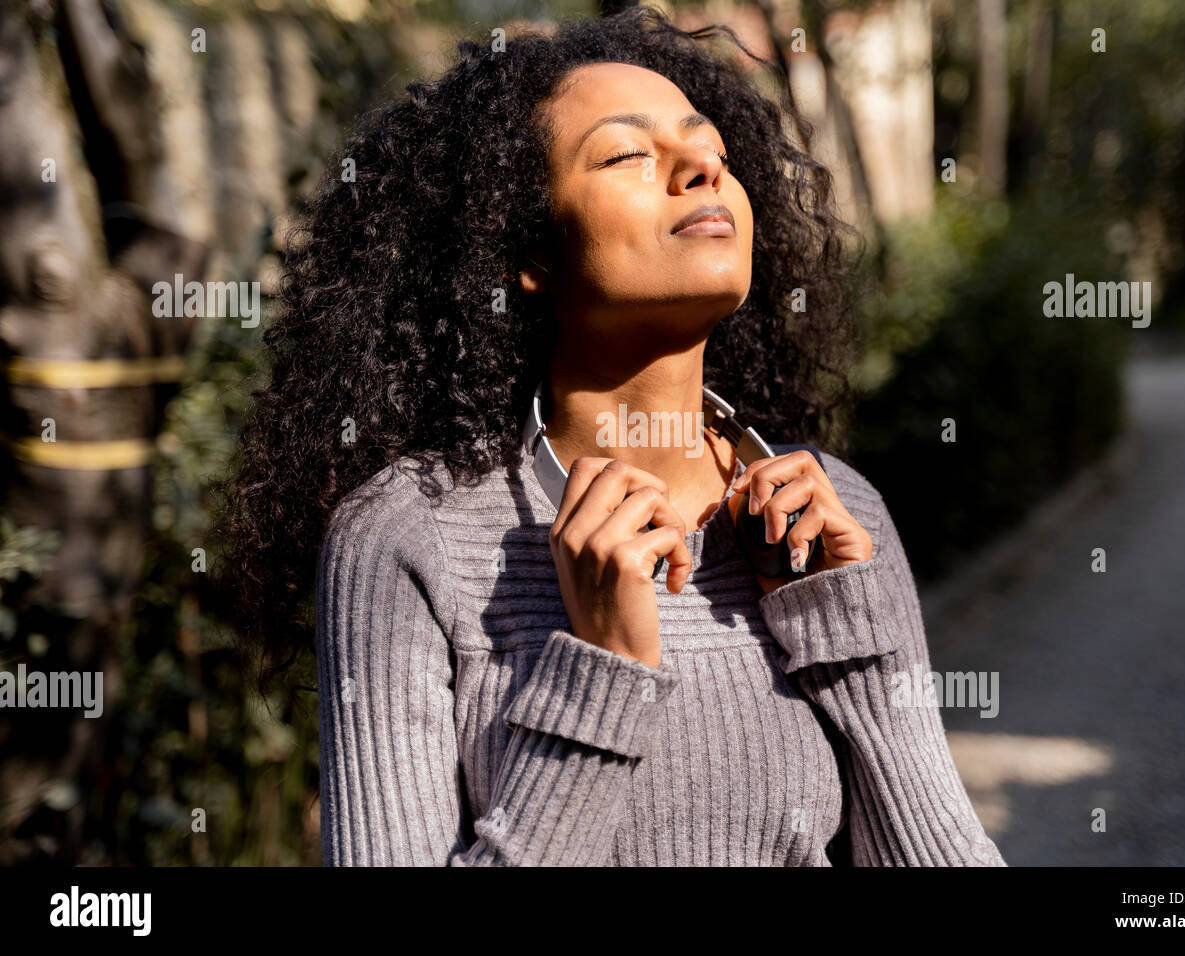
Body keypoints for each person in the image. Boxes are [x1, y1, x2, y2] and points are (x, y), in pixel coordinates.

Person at [215, 6, 1006, 866]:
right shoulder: (407, 540)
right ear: (527, 251)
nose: (703, 166)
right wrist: (602, 671)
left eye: (715, 153)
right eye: (630, 154)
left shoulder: (837, 515)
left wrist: (848, 642)